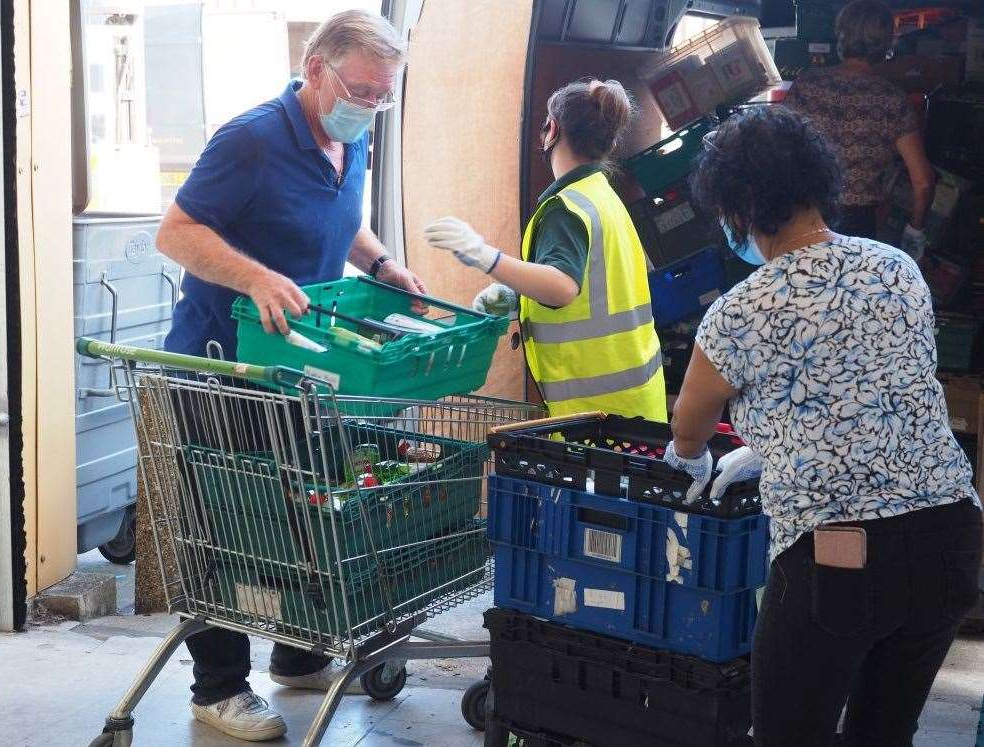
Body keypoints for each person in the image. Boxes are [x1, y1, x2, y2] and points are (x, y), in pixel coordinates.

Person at [662, 106, 981, 746]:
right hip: (953, 539)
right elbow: (868, 386)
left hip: (842, 556)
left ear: (744, 201)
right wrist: (775, 443)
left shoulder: (738, 312)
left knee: (789, 733)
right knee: (883, 732)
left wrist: (696, 459)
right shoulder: (897, 268)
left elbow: (689, 429)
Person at [155, 11, 425, 742]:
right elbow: (175, 230)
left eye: (381, 96)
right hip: (225, 365)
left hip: (303, 370)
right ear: (315, 69)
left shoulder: (349, 135)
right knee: (230, 521)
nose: (368, 105)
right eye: (360, 90)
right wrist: (257, 279)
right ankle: (216, 686)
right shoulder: (251, 140)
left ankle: (297, 651)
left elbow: (339, 216)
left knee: (303, 511)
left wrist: (378, 262)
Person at [423, 79, 666, 421]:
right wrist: (519, 294)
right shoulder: (601, 196)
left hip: (596, 418)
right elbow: (597, 284)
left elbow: (563, 286)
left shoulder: (564, 209)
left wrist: (485, 257)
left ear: (552, 130)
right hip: (637, 403)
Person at [784, 0, 936, 258]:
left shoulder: (806, 86)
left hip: (803, 218)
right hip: (858, 225)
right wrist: (915, 229)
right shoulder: (893, 100)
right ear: (887, 43)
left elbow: (778, 152)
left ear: (841, 35)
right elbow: (922, 182)